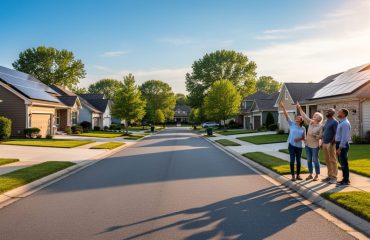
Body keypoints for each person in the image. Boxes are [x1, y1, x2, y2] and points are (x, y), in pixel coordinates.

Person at [297, 102, 323, 181]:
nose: (313, 116)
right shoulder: (311, 122)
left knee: (315, 160)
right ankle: (310, 174)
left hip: (315, 146)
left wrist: (315, 135)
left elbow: (321, 136)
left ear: (318, 118)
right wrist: (299, 107)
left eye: (315, 115)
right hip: (308, 145)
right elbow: (304, 116)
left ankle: (317, 175)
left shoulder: (320, 126)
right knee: (309, 160)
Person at [280, 102, 306, 181]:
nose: (297, 118)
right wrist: (283, 108)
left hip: (299, 147)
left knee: (298, 161)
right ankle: (293, 176)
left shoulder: (303, 128)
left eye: (298, 118)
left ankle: (298, 175)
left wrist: (299, 139)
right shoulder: (292, 124)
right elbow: (286, 115)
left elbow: (304, 138)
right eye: (296, 117)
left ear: (301, 120)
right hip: (291, 145)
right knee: (292, 160)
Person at [321, 108, 338, 184]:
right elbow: (324, 132)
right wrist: (321, 142)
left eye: (329, 111)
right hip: (324, 143)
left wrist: (332, 142)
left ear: (333, 113)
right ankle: (329, 176)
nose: (327, 112)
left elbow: (336, 133)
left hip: (330, 144)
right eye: (327, 111)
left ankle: (334, 177)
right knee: (327, 160)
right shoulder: (326, 121)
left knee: (333, 160)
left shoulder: (335, 122)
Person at [335, 108, 351, 186]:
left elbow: (345, 137)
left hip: (342, 145)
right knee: (342, 163)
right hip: (339, 144)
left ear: (344, 114)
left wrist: (340, 148)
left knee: (344, 163)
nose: (338, 113)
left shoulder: (345, 123)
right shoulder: (341, 122)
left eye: (339, 112)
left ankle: (346, 180)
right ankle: (345, 179)